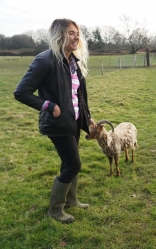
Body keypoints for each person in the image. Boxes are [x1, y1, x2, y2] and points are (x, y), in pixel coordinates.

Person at [14, 18, 95, 223]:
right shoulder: (45, 60)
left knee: (69, 162)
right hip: (58, 123)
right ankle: (55, 210)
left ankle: (71, 200)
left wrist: (88, 119)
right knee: (73, 164)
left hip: (73, 121)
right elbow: (21, 92)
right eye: (70, 33)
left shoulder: (73, 61)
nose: (76, 37)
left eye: (77, 33)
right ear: (59, 35)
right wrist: (50, 106)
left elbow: (79, 96)